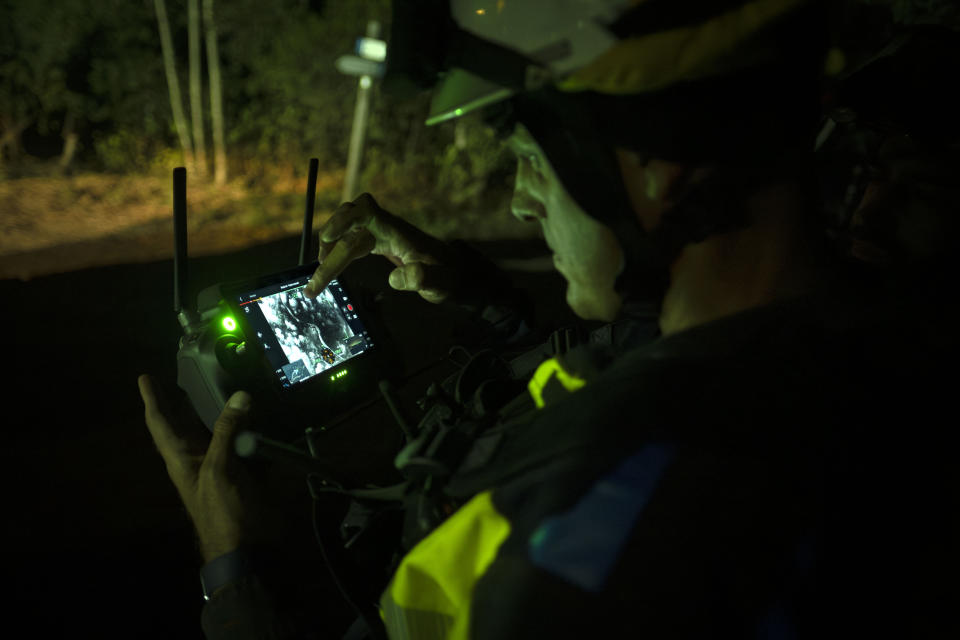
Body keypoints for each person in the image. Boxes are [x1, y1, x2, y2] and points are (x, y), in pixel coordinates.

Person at [139, 1, 953, 638]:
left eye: (533, 159)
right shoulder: (846, 356)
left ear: (652, 170)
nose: (523, 202)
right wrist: (476, 292)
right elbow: (630, 345)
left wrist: (234, 567)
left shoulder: (606, 525)